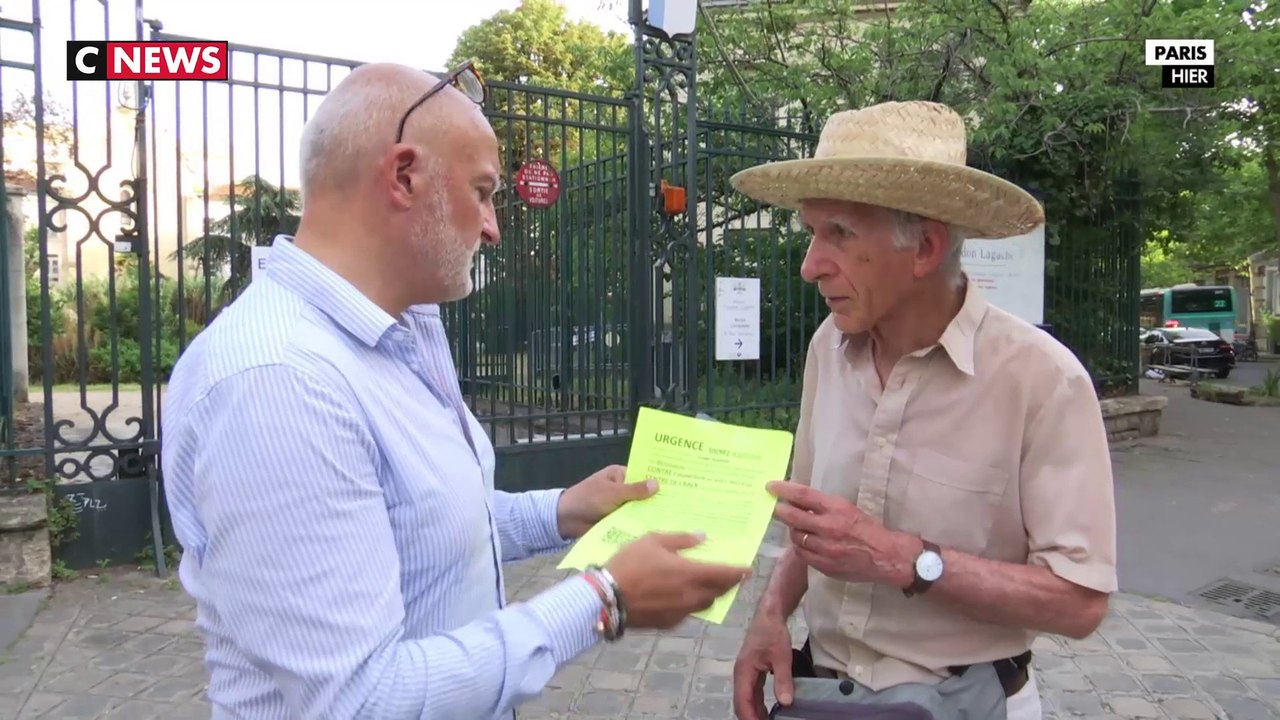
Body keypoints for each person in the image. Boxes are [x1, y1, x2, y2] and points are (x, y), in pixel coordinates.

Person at [160, 61, 750, 720]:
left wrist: (562, 511)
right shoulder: (279, 382)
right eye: (484, 191)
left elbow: (416, 524)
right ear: (404, 176)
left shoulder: (407, 330)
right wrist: (603, 597)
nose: (494, 226)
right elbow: (356, 702)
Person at [727, 101, 1117, 720]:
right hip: (823, 698)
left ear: (925, 247)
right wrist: (770, 616)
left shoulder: (1042, 380)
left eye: (840, 235)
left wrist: (904, 559)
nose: (809, 266)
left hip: (968, 702)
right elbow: (811, 523)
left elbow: (1079, 603)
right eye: (812, 233)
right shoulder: (827, 348)